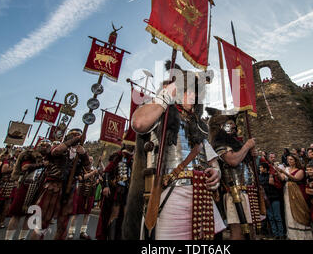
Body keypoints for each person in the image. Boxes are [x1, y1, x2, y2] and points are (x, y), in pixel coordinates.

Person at [123, 61, 224, 240]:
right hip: (170, 194)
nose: (192, 95)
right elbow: (139, 123)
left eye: (196, 92)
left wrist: (216, 172)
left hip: (202, 195)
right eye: (187, 90)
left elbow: (212, 160)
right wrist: (166, 95)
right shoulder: (161, 113)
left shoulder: (199, 125)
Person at [29, 129, 91, 240]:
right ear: (69, 136)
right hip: (55, 186)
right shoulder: (61, 147)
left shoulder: (81, 152)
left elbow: (87, 168)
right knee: (44, 221)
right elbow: (55, 152)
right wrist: (75, 140)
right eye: (75, 135)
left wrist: (84, 154)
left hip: (70, 188)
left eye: (79, 135)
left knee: (63, 224)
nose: (79, 137)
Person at [207, 109, 260, 240]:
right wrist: (247, 146)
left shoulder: (234, 144)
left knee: (251, 232)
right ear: (221, 126)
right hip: (233, 193)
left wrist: (251, 154)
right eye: (230, 123)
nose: (234, 126)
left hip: (246, 192)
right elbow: (233, 160)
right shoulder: (220, 145)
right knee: (238, 233)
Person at [5, 141, 48, 240]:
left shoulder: (48, 158)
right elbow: (25, 167)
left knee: (30, 215)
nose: (45, 147)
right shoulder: (29, 155)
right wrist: (42, 164)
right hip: (26, 184)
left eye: (47, 146)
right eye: (43, 145)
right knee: (16, 214)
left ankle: (22, 238)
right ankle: (8, 238)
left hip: (38, 187)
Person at [95, 146, 134, 240]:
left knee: (124, 216)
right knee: (114, 214)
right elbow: (107, 172)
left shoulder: (132, 160)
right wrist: (106, 186)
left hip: (127, 192)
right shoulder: (118, 157)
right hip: (117, 192)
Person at [274, 154, 313, 240]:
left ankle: (303, 235)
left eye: (291, 159)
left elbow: (296, 178)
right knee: (289, 210)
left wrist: (284, 172)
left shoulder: (300, 170)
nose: (289, 161)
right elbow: (283, 179)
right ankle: (293, 235)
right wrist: (277, 173)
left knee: (299, 210)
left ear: (295, 160)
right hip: (287, 192)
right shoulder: (287, 169)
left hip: (297, 192)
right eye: (288, 159)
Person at [68, 155, 99, 240]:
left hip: (90, 194)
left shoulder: (94, 170)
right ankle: (71, 232)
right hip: (81, 193)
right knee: (75, 213)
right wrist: (92, 173)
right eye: (89, 160)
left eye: (92, 160)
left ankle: (83, 231)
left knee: (87, 214)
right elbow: (81, 178)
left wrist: (97, 179)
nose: (90, 161)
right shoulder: (81, 169)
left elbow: (98, 179)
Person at [259, 162, 284, 239]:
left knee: (277, 216)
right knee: (271, 217)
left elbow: (278, 185)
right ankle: (275, 234)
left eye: (261, 167)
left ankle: (281, 234)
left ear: (265, 169)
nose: (260, 169)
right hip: (266, 199)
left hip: (274, 197)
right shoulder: (259, 177)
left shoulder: (272, 175)